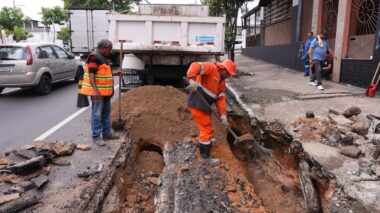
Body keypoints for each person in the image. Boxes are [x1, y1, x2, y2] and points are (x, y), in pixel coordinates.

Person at [186, 59, 236, 164]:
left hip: (204, 105)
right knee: (207, 129)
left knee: (207, 128)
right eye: (228, 73)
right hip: (197, 102)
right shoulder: (211, 68)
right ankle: (205, 157)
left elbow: (221, 98)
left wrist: (223, 115)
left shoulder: (222, 82)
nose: (229, 76)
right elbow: (195, 65)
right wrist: (191, 80)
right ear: (223, 69)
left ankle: (204, 142)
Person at [81, 39, 120, 146]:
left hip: (106, 93)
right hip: (98, 93)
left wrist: (115, 74)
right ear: (103, 48)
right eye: (109, 49)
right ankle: (96, 137)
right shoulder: (94, 57)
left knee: (106, 114)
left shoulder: (103, 58)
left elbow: (102, 74)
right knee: (97, 115)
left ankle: (106, 134)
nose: (110, 51)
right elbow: (91, 75)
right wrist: (96, 91)